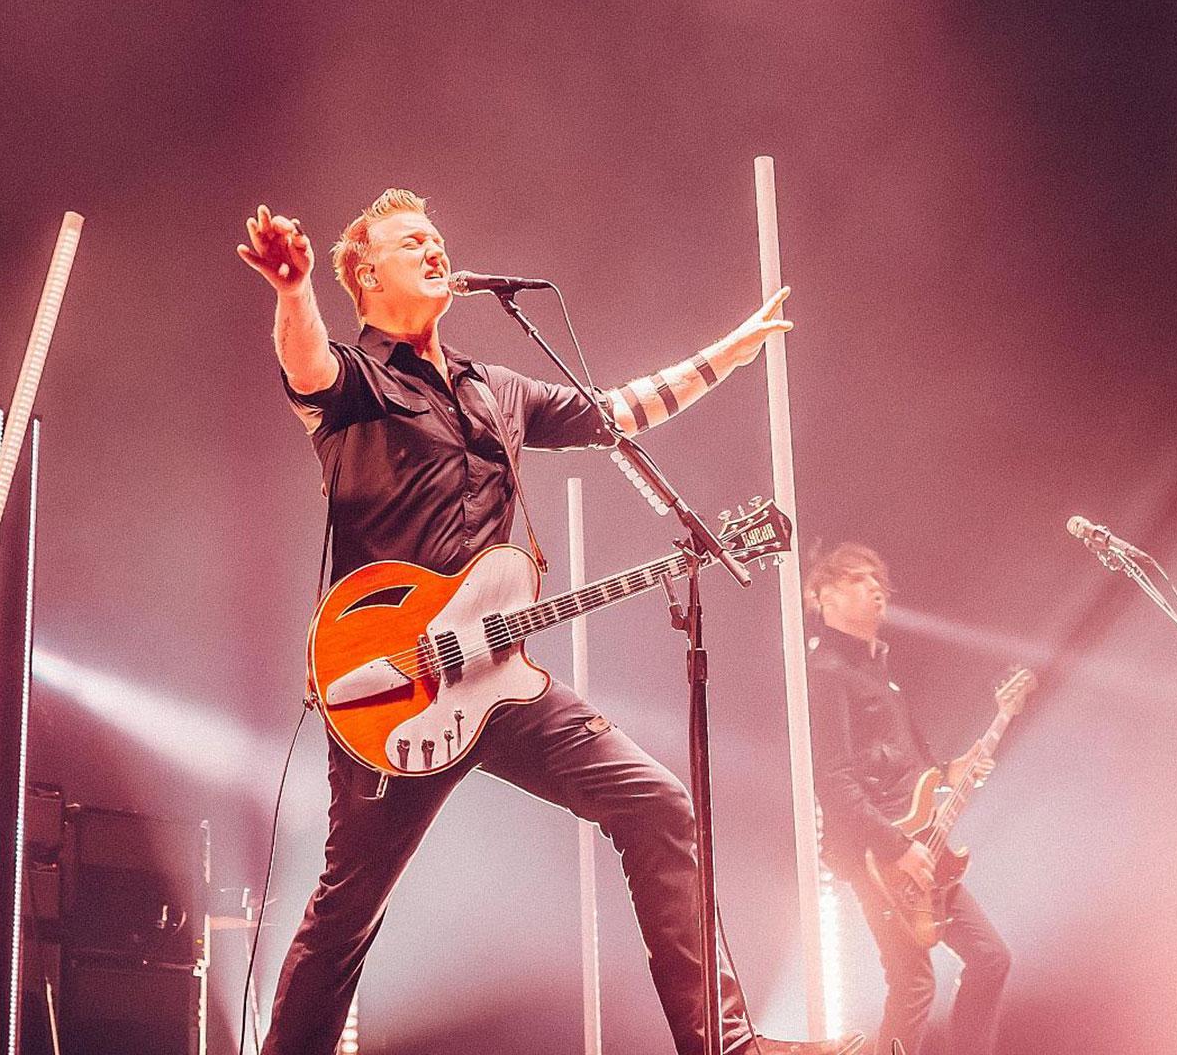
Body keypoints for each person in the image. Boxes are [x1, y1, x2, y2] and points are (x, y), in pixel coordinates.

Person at [238, 188, 860, 1055]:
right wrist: (292, 290)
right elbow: (304, 366)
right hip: (394, 689)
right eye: (411, 239)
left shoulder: (500, 389)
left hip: (500, 682)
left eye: (437, 234)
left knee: (655, 802)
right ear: (366, 273)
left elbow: (619, 412)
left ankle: (725, 1045)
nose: (434, 246)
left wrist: (730, 354)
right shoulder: (356, 380)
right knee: (345, 914)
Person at [806, 545, 1011, 1055]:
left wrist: (949, 772)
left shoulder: (880, 674)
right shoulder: (828, 672)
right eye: (858, 579)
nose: (876, 588)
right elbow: (833, 778)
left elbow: (901, 767)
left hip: (919, 846)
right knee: (914, 982)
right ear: (821, 594)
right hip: (878, 854)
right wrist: (897, 846)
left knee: (990, 958)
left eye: (879, 581)